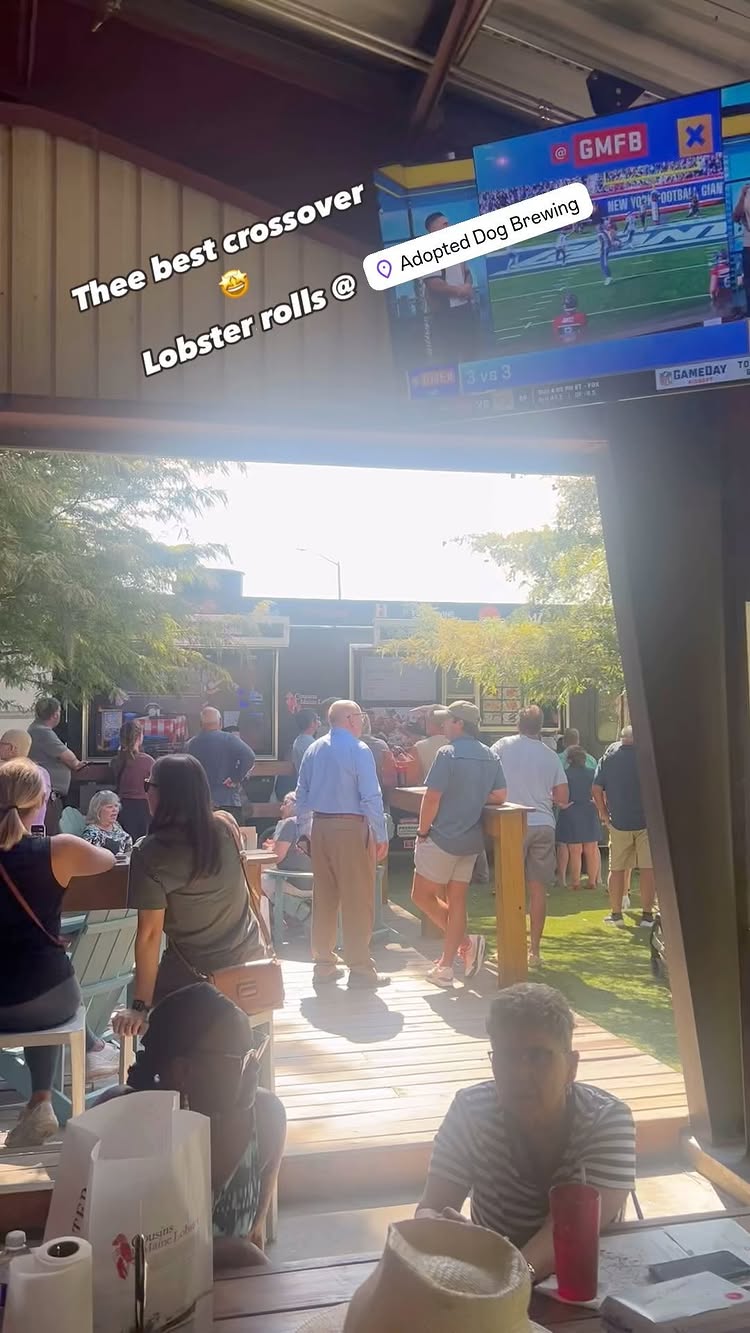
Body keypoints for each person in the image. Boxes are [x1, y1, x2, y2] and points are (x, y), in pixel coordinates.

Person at [416, 983, 636, 1279]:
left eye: (539, 1056)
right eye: (507, 1056)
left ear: (571, 1067)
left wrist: (512, 1276)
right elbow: (432, 1207)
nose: (520, 1074)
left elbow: (569, 1231)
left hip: (584, 1280)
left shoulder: (607, 1120)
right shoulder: (470, 1111)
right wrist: (434, 1228)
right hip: (494, 1276)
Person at [100, 983, 286, 1269]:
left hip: (231, 1292)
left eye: (254, 1052)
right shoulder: (118, 1123)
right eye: (240, 1059)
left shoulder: (264, 1117)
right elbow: (101, 1250)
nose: (254, 1068)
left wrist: (240, 1254)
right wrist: (232, 1252)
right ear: (182, 1071)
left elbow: (253, 1240)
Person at [0, 758, 115, 1146]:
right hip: (48, 999)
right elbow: (108, 859)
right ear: (40, 803)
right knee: (45, 978)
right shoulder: (59, 850)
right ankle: (42, 1099)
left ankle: (41, 1103)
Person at [112, 753, 262, 1039]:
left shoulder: (150, 853)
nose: (146, 792)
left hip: (195, 980)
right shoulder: (226, 827)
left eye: (148, 785)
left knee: (138, 996)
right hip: (251, 966)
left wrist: (139, 1007)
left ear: (162, 794)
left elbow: (149, 935)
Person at [411, 702, 507, 989]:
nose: (443, 725)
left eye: (448, 720)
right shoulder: (490, 755)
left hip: (441, 836)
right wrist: (473, 797)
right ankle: (446, 965)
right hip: (470, 840)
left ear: (460, 723)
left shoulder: (447, 753)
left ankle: (463, 947)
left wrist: (422, 832)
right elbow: (500, 795)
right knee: (457, 902)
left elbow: (431, 797)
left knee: (421, 895)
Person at [296, 700, 389, 990]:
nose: (362, 721)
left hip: (320, 827)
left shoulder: (313, 748)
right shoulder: (358, 749)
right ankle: (360, 968)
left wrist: (304, 830)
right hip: (350, 827)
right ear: (350, 719)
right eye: (360, 716)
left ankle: (323, 964)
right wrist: (381, 833)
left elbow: (301, 792)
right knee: (357, 899)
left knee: (324, 898)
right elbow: (370, 796)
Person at [492, 706, 568, 968]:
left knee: (509, 888)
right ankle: (534, 951)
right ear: (541, 726)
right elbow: (562, 796)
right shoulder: (550, 755)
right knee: (538, 890)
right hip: (544, 823)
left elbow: (488, 775)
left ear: (518, 724)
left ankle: (507, 948)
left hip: (512, 822)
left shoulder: (503, 746)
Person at [592, 725, 656, 929]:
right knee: (648, 869)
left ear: (622, 738)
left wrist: (603, 813)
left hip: (619, 821)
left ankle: (616, 914)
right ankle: (647, 916)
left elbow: (596, 788)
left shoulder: (609, 756)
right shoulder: (648, 756)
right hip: (646, 822)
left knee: (617, 868)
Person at [423, 212, 478, 363]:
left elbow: (467, 272)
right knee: (449, 355)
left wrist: (467, 286)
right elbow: (434, 284)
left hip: (464, 309)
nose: (449, 226)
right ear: (433, 228)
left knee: (470, 350)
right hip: (445, 314)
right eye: (445, 224)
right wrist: (459, 291)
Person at [27, 696, 83, 835]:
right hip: (48, 797)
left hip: (48, 795)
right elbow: (69, 758)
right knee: (50, 834)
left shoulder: (37, 729)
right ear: (55, 714)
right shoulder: (42, 731)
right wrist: (77, 764)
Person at [187, 706, 256, 815]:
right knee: (229, 826)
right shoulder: (229, 739)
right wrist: (236, 777)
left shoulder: (190, 744)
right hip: (227, 800)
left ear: (200, 724)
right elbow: (249, 756)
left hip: (199, 802)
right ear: (220, 722)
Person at [261, 791, 313, 925]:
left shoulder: (290, 823)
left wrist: (268, 849)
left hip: (299, 882)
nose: (281, 808)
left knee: (258, 881)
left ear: (296, 804)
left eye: (285, 803)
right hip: (317, 881)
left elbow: (276, 858)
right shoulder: (314, 822)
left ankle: (300, 913)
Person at [555, 748, 602, 891]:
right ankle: (592, 881)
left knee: (575, 850)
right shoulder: (592, 773)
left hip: (571, 810)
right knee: (591, 848)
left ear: (569, 760)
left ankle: (575, 882)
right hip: (589, 809)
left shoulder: (565, 774)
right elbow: (600, 790)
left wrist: (560, 804)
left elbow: (558, 793)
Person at [110, 720, 154, 839]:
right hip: (143, 809)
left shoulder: (115, 761)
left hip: (122, 807)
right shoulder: (148, 761)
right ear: (139, 737)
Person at [0, 729, 51, 828]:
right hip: (34, 830)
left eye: (1, 743)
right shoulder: (42, 773)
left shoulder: (6, 773)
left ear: (11, 748)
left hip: (9, 831)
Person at [82, 790, 133, 856]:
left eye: (116, 806)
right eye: (110, 807)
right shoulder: (92, 833)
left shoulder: (117, 827)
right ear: (98, 810)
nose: (114, 810)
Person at [413, 707, 448, 781]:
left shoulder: (418, 747)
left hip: (429, 787)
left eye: (427, 721)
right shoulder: (458, 744)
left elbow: (413, 779)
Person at [733, 182, 750, 316]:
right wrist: (742, 196)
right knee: (748, 282)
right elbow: (736, 216)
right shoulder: (746, 192)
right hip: (748, 245)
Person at [291, 709, 319, 776]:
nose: (319, 722)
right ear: (312, 723)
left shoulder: (299, 740)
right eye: (317, 719)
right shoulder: (312, 744)